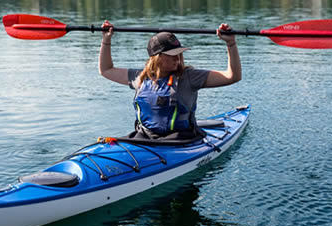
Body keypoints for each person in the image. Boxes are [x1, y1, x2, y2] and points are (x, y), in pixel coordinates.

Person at [99, 20, 241, 141]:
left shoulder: (190, 77)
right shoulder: (140, 77)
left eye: (179, 53)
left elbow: (232, 76)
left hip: (182, 140)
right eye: (172, 55)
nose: (177, 58)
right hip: (145, 138)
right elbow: (106, 70)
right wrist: (106, 40)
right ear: (157, 57)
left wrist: (231, 44)